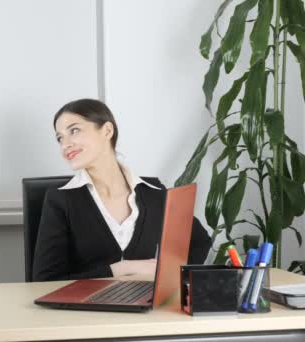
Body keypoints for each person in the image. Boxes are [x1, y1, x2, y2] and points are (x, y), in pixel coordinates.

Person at [32, 99, 211, 281]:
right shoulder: (60, 200)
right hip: (86, 308)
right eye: (59, 138)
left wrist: (171, 276)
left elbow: (200, 242)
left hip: (146, 306)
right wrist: (121, 269)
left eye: (74, 130)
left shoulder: (154, 194)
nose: (65, 144)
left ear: (107, 131)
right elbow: (45, 280)